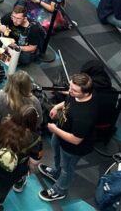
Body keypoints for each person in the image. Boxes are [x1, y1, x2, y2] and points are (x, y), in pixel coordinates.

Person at [38, 73, 99, 202]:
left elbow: (75, 140)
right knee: (57, 156)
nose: (70, 91)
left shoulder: (85, 115)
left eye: (74, 90)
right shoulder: (76, 94)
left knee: (67, 169)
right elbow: (70, 100)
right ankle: (56, 173)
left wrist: (55, 130)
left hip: (72, 148)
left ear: (86, 93)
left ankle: (60, 190)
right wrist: (57, 106)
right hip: (61, 132)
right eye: (70, 86)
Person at [0, 70, 43, 143]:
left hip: (4, 135)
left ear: (9, 83)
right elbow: (38, 121)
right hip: (24, 137)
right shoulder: (35, 101)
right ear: (28, 86)